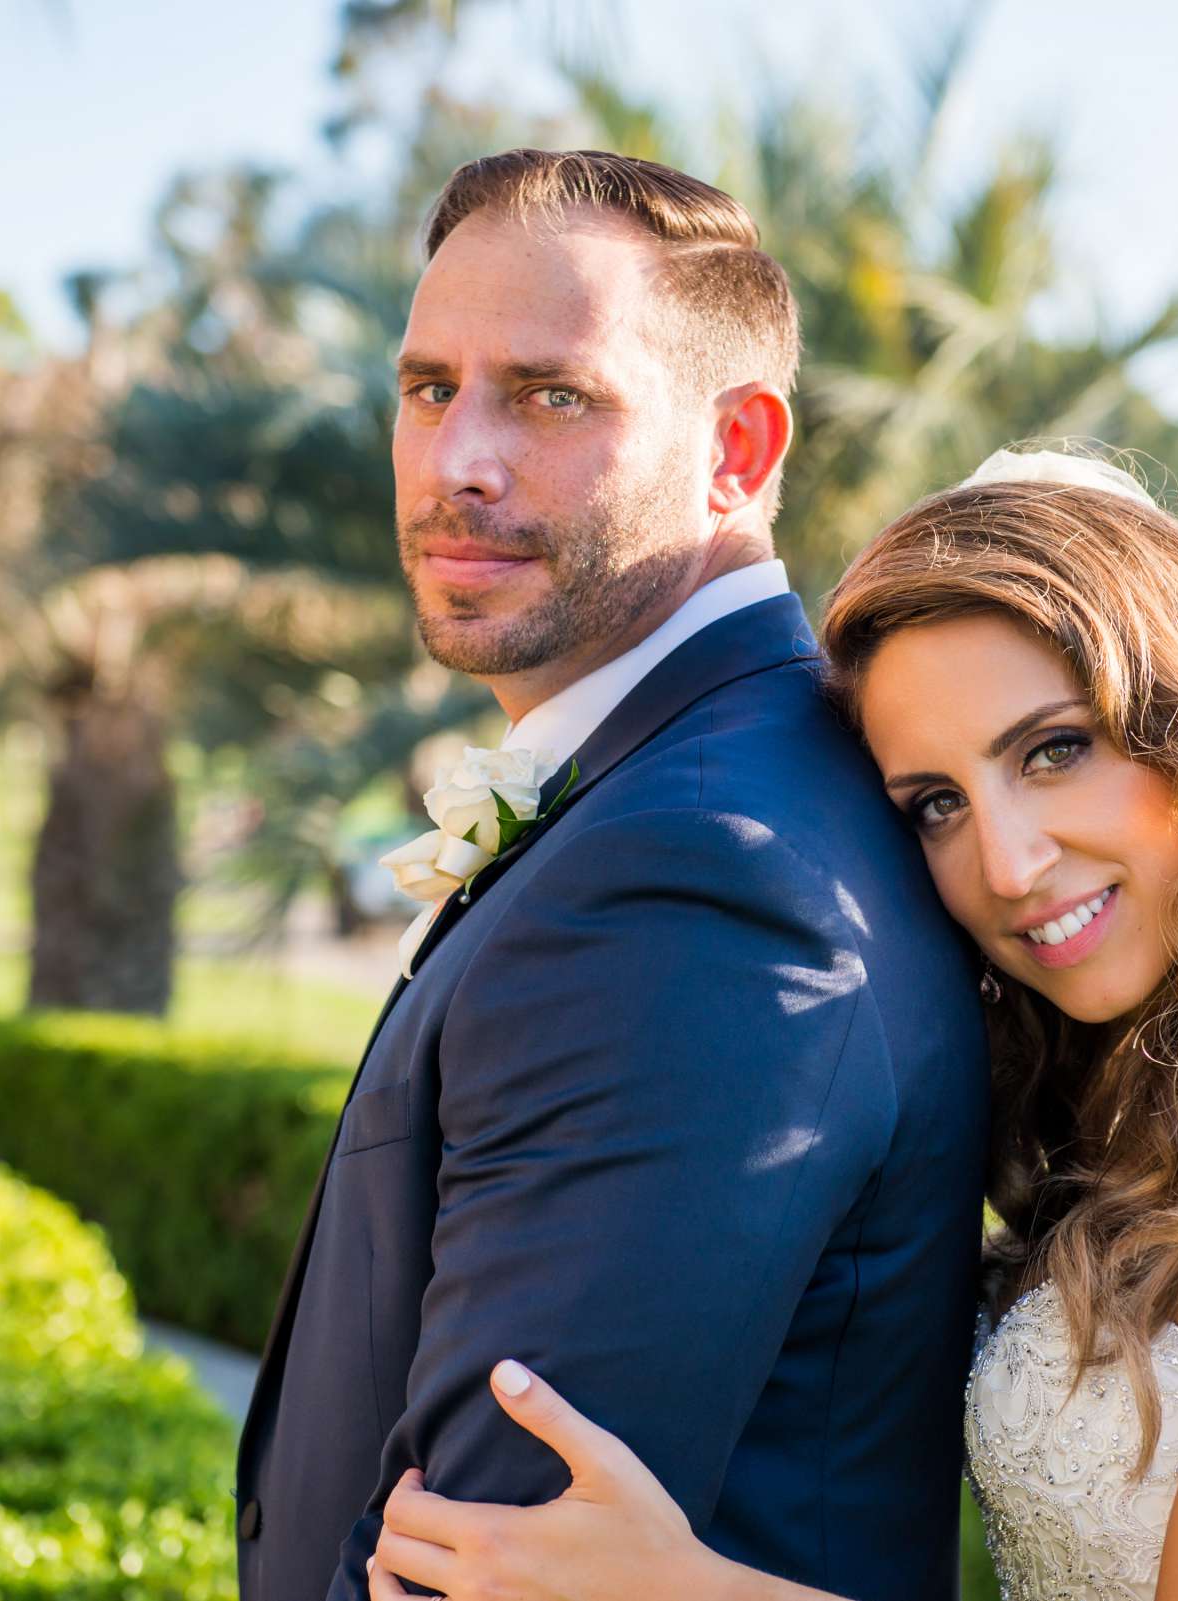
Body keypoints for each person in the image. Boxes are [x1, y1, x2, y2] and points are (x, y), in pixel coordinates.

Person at [363, 452, 1178, 1600]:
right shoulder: (1149, 1089)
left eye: (1055, 750)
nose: (1007, 862)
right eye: (935, 803)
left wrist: (689, 1587)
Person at [230, 149, 990, 1601]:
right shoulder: (683, 783)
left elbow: (489, 1559)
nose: (460, 458)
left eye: (551, 394)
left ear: (741, 454)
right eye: (429, 387)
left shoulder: (698, 876)